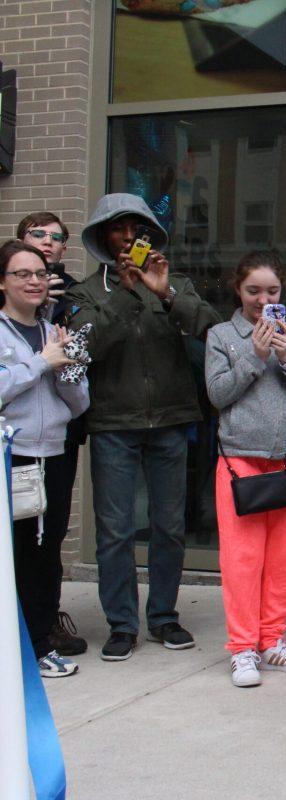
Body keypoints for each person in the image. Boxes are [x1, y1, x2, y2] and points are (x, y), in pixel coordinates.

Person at [65, 193, 220, 661]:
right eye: (119, 229)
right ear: (103, 239)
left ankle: (164, 618)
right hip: (115, 423)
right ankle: (121, 624)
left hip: (171, 420)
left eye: (137, 229)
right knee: (114, 530)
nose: (130, 236)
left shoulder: (174, 285)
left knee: (169, 526)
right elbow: (84, 346)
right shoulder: (85, 293)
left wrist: (164, 293)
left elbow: (213, 330)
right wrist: (128, 296)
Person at [205, 251, 286, 688]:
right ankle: (242, 649)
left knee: (281, 559)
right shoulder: (221, 335)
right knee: (242, 559)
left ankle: (272, 639)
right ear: (239, 290)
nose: (263, 299)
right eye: (254, 290)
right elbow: (217, 394)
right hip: (241, 459)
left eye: (272, 291)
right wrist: (254, 357)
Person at [0, 240, 90, 678]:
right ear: (3, 282)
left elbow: (79, 403)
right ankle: (10, 648)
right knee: (11, 554)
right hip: (10, 457)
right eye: (23, 274)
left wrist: (66, 368)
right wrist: (39, 363)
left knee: (46, 552)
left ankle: (39, 645)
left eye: (40, 274)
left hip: (53, 454)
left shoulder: (56, 330)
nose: (35, 282)